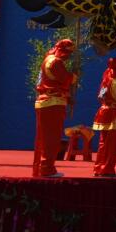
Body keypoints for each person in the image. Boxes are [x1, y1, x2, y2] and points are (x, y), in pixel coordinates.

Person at [32, 38, 77, 178]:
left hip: (43, 101)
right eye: (68, 53)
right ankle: (47, 169)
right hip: (53, 103)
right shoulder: (56, 62)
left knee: (42, 138)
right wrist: (73, 77)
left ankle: (39, 168)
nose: (68, 57)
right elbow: (65, 79)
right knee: (52, 138)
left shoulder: (47, 60)